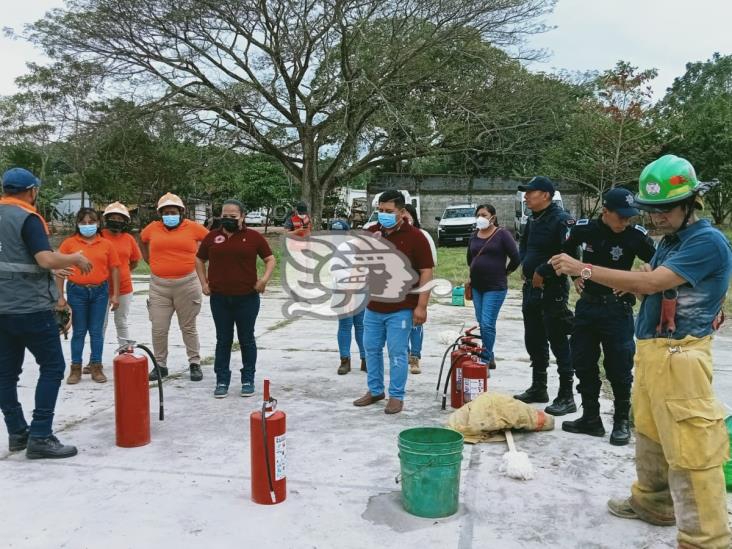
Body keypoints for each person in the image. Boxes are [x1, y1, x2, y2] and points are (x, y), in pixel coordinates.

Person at [550, 155, 732, 549]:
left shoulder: (706, 241)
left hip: (682, 357)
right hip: (654, 351)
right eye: (652, 210)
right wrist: (633, 282)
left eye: (665, 209)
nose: (656, 218)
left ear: (691, 202)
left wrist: (583, 269)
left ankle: (707, 539)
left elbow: (657, 283)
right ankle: (654, 503)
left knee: (691, 450)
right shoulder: (671, 241)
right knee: (649, 432)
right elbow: (652, 277)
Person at [0, 167, 92, 458]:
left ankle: (17, 433)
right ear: (31, 191)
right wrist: (74, 257)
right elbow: (43, 258)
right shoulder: (27, 218)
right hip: (31, 308)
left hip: (2, 310)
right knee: (52, 368)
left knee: (5, 374)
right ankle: (40, 435)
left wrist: (53, 268)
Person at [560, 188, 656, 446]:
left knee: (619, 367)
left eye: (630, 216)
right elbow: (565, 254)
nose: (626, 221)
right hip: (588, 308)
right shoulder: (585, 230)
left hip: (617, 309)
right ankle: (591, 418)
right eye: (622, 216)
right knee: (583, 361)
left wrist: (635, 281)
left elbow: (660, 263)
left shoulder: (636, 237)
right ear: (605, 211)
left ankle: (621, 422)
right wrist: (576, 275)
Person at [353, 190, 434, 414]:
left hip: (402, 308)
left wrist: (421, 306)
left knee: (397, 353)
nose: (383, 215)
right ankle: (375, 390)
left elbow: (427, 272)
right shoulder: (372, 232)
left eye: (389, 211)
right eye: (380, 211)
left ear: (401, 212)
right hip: (373, 306)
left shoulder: (416, 237)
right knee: (371, 349)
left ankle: (396, 396)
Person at [195, 200, 275, 398]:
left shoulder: (253, 237)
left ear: (243, 216)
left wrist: (263, 280)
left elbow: (270, 259)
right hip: (220, 298)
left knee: (246, 339)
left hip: (247, 298)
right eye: (225, 215)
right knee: (223, 340)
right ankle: (222, 379)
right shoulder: (212, 237)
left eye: (233, 216)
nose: (228, 219)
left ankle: (248, 378)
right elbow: (199, 259)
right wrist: (204, 283)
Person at [514, 176, 577, 416]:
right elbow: (525, 246)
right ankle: (539, 387)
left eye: (531, 192)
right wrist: (525, 265)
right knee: (534, 338)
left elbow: (570, 252)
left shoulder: (561, 220)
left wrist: (544, 270)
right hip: (531, 289)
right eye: (526, 192)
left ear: (547, 195)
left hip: (553, 289)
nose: (526, 196)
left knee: (558, 339)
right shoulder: (533, 219)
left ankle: (566, 395)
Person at [141, 193, 208, 381]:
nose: (170, 215)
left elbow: (210, 241)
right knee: (159, 327)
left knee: (188, 327)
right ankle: (160, 365)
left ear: (181, 212)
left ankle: (194, 363)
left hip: (187, 284)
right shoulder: (152, 228)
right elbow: (143, 240)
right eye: (166, 212)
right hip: (159, 286)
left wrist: (201, 262)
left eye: (173, 211)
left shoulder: (194, 228)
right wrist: (149, 260)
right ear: (160, 214)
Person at [57, 208, 121, 384]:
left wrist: (115, 295)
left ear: (98, 223)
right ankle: (75, 368)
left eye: (91, 222)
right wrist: (60, 297)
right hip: (76, 291)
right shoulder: (69, 243)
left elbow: (115, 269)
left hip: (100, 292)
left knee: (96, 332)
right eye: (83, 223)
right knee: (78, 331)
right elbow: (59, 269)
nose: (87, 226)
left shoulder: (106, 244)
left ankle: (96, 366)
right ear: (77, 224)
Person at [466, 204, 520, 369]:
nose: (480, 218)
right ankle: (490, 354)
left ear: (493, 217)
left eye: (483, 214)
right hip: (477, 286)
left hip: (495, 287)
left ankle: (485, 358)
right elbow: (470, 258)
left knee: (488, 322)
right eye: (478, 215)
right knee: (482, 322)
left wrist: (506, 272)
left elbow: (516, 257)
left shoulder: (502, 234)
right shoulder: (474, 235)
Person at [100, 202, 142, 348]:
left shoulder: (129, 239)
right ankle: (95, 359)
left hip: (124, 288)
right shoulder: (98, 236)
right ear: (106, 219)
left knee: (121, 322)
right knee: (100, 324)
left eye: (120, 219)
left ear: (125, 222)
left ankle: (125, 354)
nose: (116, 221)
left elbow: (135, 261)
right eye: (113, 218)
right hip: (101, 287)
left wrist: (122, 273)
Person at [403, 203, 436, 374]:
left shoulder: (423, 236)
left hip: (417, 288)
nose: (404, 218)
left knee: (415, 324)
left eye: (407, 215)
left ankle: (415, 357)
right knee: (401, 324)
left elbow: (431, 266)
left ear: (414, 217)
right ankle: (405, 354)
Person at [330, 218, 366, 375]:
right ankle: (345, 360)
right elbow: (337, 272)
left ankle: (366, 360)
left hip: (361, 291)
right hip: (341, 292)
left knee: (361, 327)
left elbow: (365, 269)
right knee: (345, 326)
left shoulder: (355, 246)